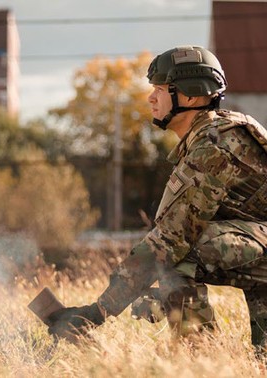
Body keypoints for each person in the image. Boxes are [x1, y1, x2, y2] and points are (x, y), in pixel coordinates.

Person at [47, 45, 267, 351]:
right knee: (263, 360)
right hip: (259, 244)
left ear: (190, 96)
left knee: (176, 255)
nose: (151, 98)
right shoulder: (209, 137)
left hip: (260, 242)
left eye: (161, 90)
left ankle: (201, 358)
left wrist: (98, 311)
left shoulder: (216, 145)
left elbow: (171, 240)